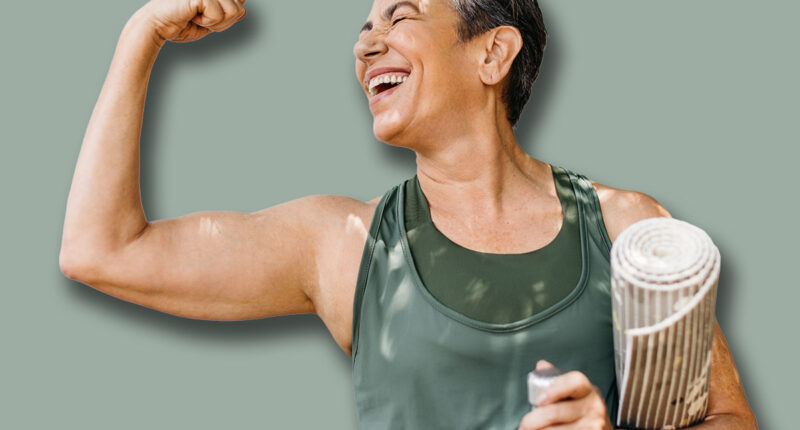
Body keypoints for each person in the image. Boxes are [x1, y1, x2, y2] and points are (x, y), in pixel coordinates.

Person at [59, 0, 757, 428]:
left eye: (401, 18)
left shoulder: (628, 228)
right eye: (363, 28)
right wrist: (141, 33)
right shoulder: (344, 246)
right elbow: (99, 250)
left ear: (492, 52)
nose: (365, 46)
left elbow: (728, 421)